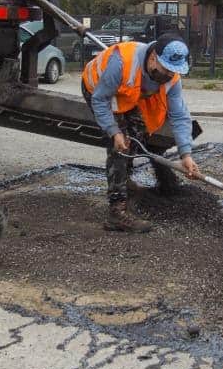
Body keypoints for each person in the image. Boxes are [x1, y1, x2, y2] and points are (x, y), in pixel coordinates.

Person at [82, 34, 200, 233]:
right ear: (153, 57)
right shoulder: (122, 63)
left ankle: (123, 181)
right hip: (98, 90)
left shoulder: (171, 78)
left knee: (138, 133)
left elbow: (179, 116)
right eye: (165, 70)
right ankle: (116, 212)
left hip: (130, 94)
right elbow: (101, 100)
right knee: (121, 146)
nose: (168, 76)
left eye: (173, 72)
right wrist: (114, 131)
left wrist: (186, 154)